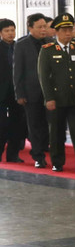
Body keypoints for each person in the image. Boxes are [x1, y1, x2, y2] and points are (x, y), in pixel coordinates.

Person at [37, 13, 75, 174]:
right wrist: (49, 98)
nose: (68, 33)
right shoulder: (47, 50)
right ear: (56, 32)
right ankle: (57, 162)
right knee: (56, 133)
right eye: (64, 30)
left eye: (70, 29)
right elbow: (44, 77)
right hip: (57, 99)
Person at [14, 14, 50, 168]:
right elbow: (17, 72)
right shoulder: (21, 45)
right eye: (40, 27)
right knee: (34, 124)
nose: (43, 30)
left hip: (50, 92)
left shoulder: (51, 43)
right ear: (30, 28)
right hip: (31, 92)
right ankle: (38, 155)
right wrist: (19, 93)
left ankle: (46, 149)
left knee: (48, 125)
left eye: (45, 26)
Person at [0, 19, 25, 162]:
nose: (10, 33)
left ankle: (13, 154)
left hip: (17, 92)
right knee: (2, 124)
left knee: (17, 124)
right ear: (1, 33)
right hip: (1, 92)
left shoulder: (20, 47)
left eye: (12, 30)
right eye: (7, 31)